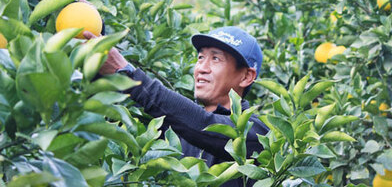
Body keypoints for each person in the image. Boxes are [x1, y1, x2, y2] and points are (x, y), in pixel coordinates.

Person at [84, 26, 269, 187]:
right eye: (200, 57)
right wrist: (99, 43)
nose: (202, 68)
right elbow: (102, 114)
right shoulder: (176, 128)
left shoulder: (257, 133)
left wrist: (130, 75)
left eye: (215, 59)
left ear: (246, 77)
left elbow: (203, 125)